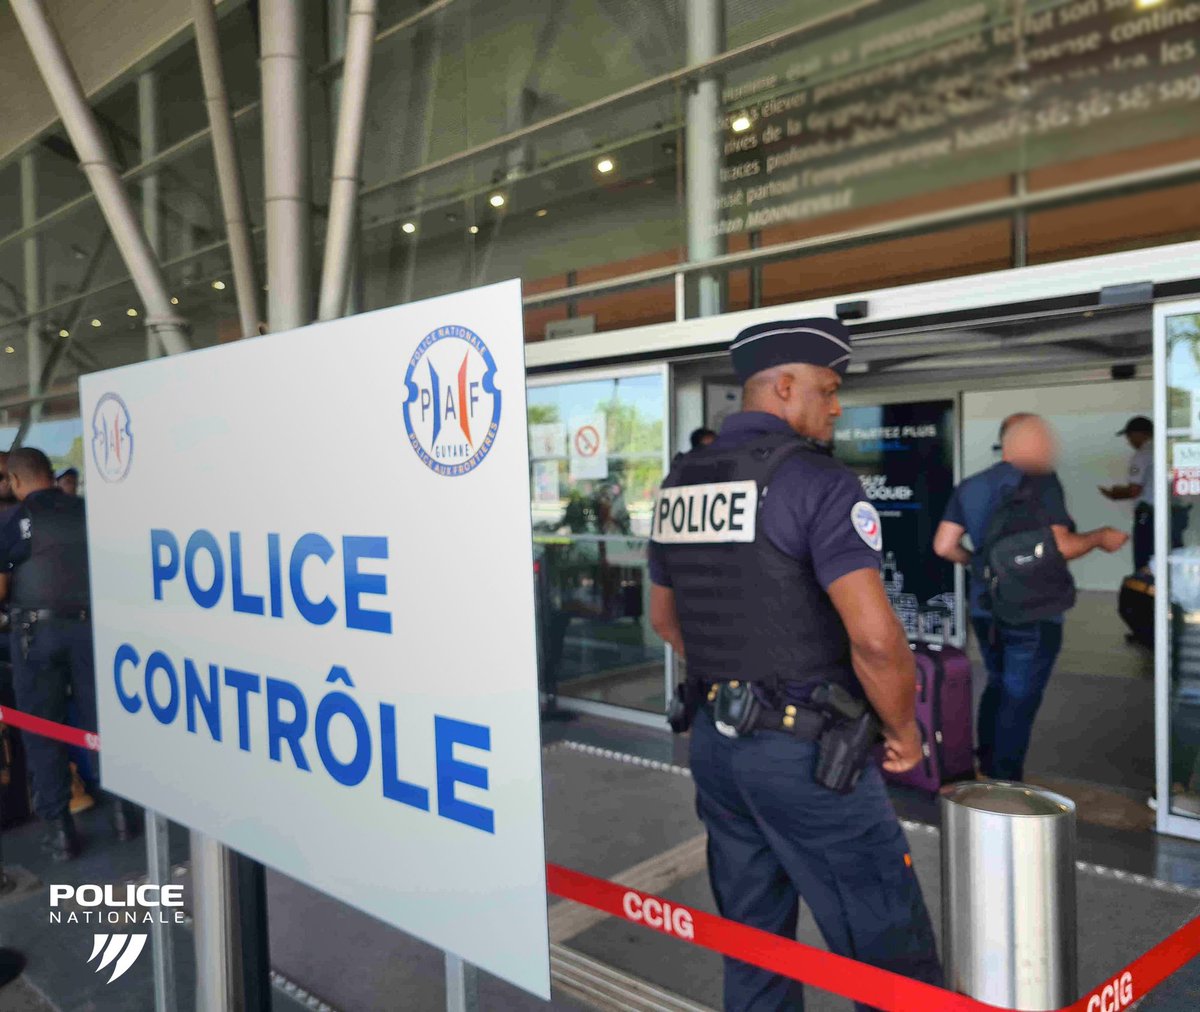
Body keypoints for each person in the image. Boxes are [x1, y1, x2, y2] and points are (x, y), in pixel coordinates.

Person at [649, 318, 941, 1012]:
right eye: (828, 389)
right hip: (809, 758)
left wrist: (739, 677)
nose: (836, 407)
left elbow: (663, 620)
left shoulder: (681, 481)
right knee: (887, 950)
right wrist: (902, 730)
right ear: (784, 386)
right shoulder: (818, 481)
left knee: (754, 944)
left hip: (718, 750)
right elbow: (875, 640)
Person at [934, 414, 1127, 781]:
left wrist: (978, 565)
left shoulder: (972, 486)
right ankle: (1004, 782)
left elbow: (943, 546)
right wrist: (1101, 538)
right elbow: (1062, 546)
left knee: (997, 682)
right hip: (1034, 609)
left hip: (985, 604)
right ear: (1023, 443)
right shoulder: (1042, 481)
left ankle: (986, 762)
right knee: (1019, 696)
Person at [0, 448, 135, 860]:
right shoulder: (86, 510)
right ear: (51, 473)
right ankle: (124, 814)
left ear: (17, 481)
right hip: (92, 628)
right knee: (102, 722)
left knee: (44, 730)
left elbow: (2, 589)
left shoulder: (18, 521)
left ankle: (61, 831)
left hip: (35, 636)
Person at [1100, 416, 1187, 571]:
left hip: (1150, 516)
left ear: (1139, 434)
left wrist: (1115, 493)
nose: (1129, 441)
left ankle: (1148, 595)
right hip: (1175, 513)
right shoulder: (1168, 451)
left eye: (1129, 436)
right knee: (1173, 558)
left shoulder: (1142, 454)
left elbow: (1134, 490)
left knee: (1145, 560)